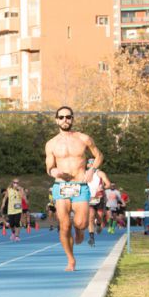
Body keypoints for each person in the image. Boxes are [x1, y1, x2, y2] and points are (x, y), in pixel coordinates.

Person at [45, 105, 104, 271]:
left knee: (82, 222)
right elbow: (49, 166)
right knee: (64, 225)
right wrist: (54, 171)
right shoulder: (51, 144)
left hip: (80, 185)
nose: (65, 120)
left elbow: (99, 155)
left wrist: (92, 170)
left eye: (68, 117)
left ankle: (80, 230)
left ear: (72, 119)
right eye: (62, 117)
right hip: (61, 186)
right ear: (57, 120)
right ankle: (70, 260)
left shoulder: (83, 138)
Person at [84, 158, 113, 247]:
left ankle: (99, 224)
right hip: (89, 198)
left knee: (99, 216)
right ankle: (91, 238)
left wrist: (103, 188)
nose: (91, 165)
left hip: (99, 198)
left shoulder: (100, 173)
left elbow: (108, 184)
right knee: (91, 216)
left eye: (93, 163)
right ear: (87, 165)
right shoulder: (84, 174)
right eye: (90, 163)